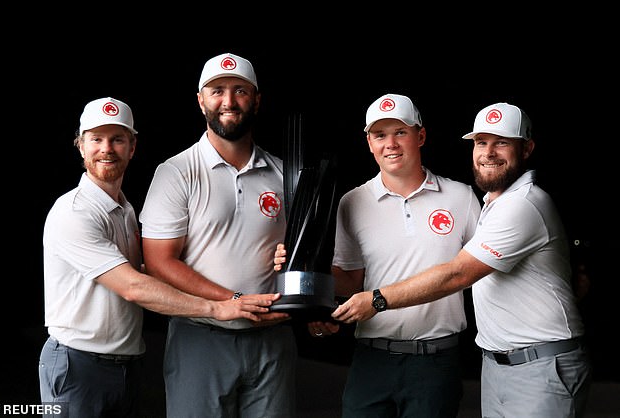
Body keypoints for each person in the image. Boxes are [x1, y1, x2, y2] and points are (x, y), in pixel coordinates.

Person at [331, 102, 592, 417]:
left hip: (533, 363)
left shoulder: (518, 204)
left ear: (527, 149)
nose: (489, 152)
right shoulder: (494, 204)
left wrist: (377, 300)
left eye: (503, 142)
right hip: (496, 364)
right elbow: (349, 277)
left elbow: (459, 274)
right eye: (482, 142)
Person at [39, 97, 280, 418]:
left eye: (118, 139)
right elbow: (134, 287)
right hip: (78, 363)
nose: (106, 148)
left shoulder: (124, 209)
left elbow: (139, 272)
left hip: (124, 363)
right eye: (96, 139)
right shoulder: (74, 212)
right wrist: (219, 307)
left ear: (132, 147)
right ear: (80, 146)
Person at [275, 93, 481, 417]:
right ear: (369, 142)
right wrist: (303, 271)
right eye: (380, 135)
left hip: (436, 360)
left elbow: (478, 272)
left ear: (421, 136)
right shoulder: (352, 202)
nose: (391, 144)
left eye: (400, 132)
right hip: (372, 359)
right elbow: (351, 282)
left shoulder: (461, 197)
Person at [138, 53, 295, 418]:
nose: (228, 101)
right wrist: (232, 301)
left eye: (240, 91)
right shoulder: (177, 172)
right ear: (200, 100)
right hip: (201, 337)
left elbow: (304, 252)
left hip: (272, 340)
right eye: (217, 91)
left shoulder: (286, 174)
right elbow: (160, 263)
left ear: (256, 100)